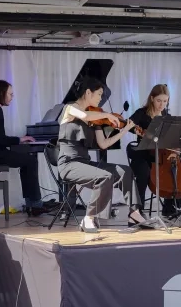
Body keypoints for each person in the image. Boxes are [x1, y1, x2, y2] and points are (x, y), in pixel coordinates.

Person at [57, 77, 150, 233]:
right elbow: (85, 116)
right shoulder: (70, 108)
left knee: (125, 171)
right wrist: (107, 116)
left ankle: (134, 214)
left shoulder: (96, 120)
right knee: (105, 177)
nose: (101, 99)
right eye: (99, 94)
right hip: (69, 164)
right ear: (88, 93)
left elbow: (104, 144)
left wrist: (125, 130)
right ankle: (89, 218)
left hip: (85, 163)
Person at [0, 80, 47, 216]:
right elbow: (1, 140)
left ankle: (31, 204)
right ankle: (35, 204)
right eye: (10, 94)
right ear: (2, 93)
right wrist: (20, 139)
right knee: (30, 161)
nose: (12, 97)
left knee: (26, 160)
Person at [127, 84, 181, 218]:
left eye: (165, 101)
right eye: (159, 100)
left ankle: (170, 207)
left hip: (161, 156)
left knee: (177, 170)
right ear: (152, 98)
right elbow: (128, 125)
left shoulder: (166, 116)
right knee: (143, 171)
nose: (162, 104)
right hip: (143, 155)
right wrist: (139, 131)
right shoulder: (141, 113)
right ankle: (137, 211)